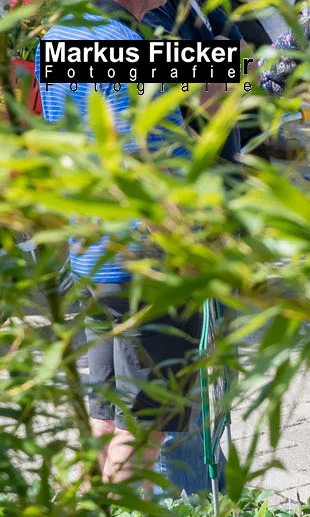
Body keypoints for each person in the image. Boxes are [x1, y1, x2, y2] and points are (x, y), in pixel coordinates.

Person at [38, 0, 202, 487]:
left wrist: (245, 69)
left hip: (93, 251)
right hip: (143, 262)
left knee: (107, 415)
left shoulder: (64, 34)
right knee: (146, 422)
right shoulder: (124, 44)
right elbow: (142, 155)